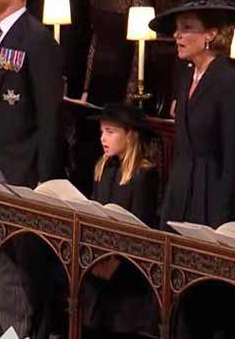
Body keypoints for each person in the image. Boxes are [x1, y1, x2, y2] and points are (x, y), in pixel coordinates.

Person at [0, 0, 63, 338]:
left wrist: (44, 183)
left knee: (16, 264)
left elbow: (50, 119)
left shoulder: (37, 40)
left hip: (21, 169)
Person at [150, 0, 235, 227]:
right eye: (177, 29)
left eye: (186, 28)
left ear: (210, 34)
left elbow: (234, 159)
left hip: (211, 197)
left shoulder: (231, 83)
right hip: (180, 193)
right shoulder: (186, 76)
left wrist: (223, 219)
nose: (177, 35)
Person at [81, 103, 160, 338]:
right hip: (97, 265)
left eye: (110, 132)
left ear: (130, 136)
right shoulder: (103, 168)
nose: (102, 138)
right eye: (102, 131)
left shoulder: (143, 175)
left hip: (124, 273)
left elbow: (140, 229)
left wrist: (114, 263)